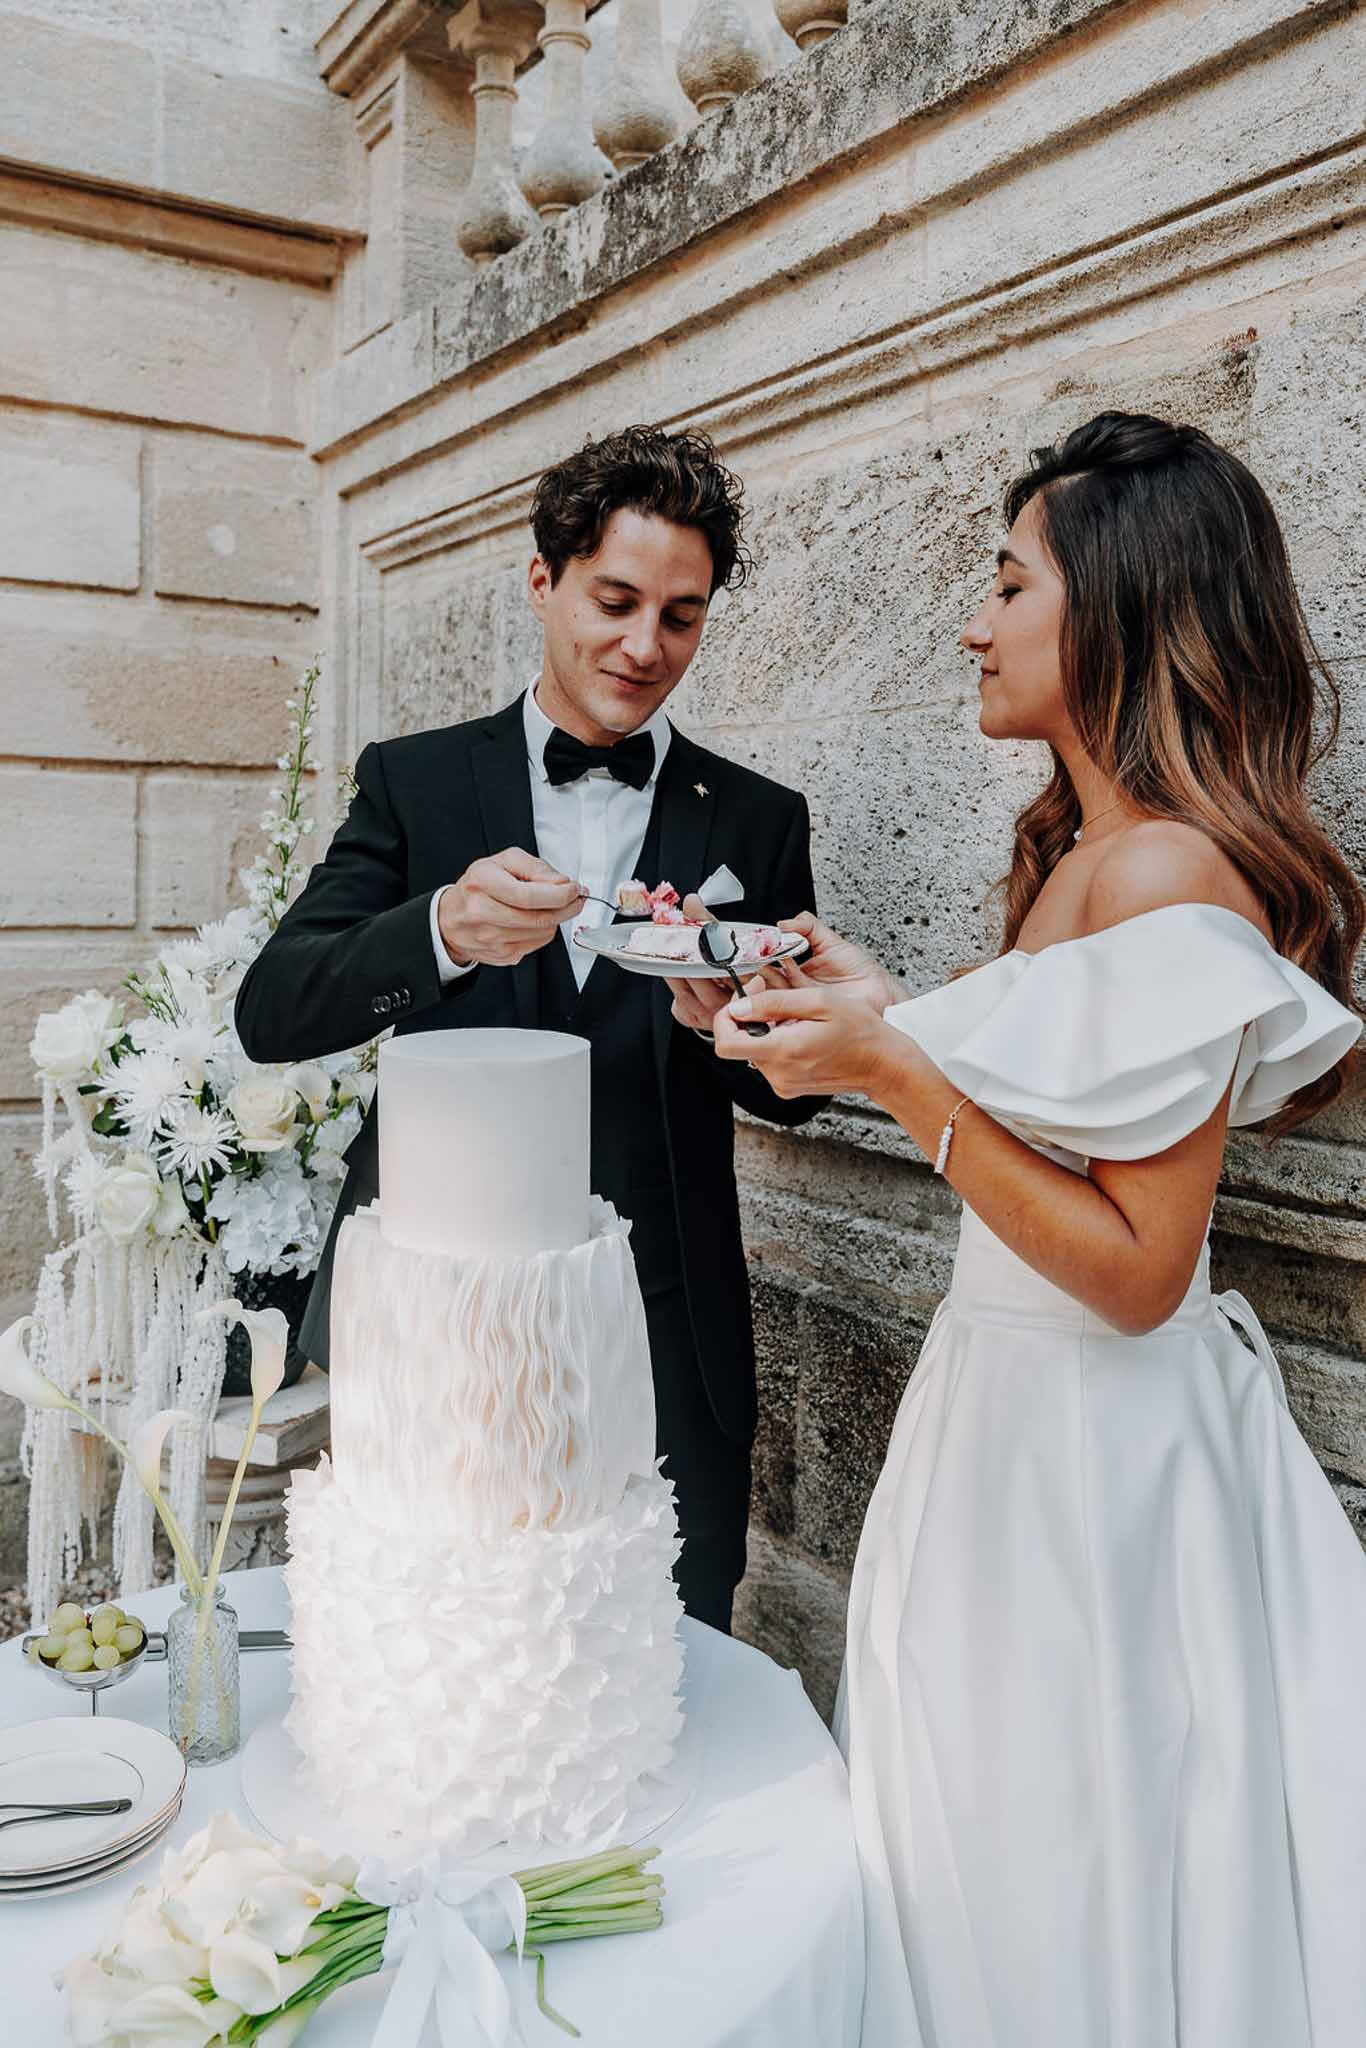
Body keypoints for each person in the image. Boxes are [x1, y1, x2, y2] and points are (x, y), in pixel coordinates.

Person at [710, 412, 1366, 2043]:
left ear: (1125, 609)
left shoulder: (1165, 872)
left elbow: (1141, 1269)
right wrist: (867, 1010)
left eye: (1009, 579)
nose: (971, 618)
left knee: (1054, 1860)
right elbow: (1046, 1095)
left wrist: (885, 1067)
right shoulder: (1082, 859)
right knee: (990, 1851)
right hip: (1009, 1412)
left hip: (1091, 1451)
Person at [234, 425, 825, 1632]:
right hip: (443, 1331)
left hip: (662, 1329)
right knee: (442, 1657)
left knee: (670, 1645)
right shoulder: (416, 781)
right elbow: (274, 1007)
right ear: (541, 579)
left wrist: (737, 1022)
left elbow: (791, 1095)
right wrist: (440, 928)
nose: (644, 646)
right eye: (615, 600)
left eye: (682, 615)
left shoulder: (758, 817)